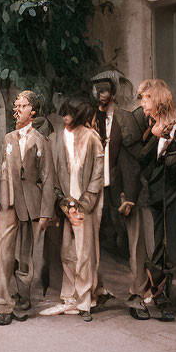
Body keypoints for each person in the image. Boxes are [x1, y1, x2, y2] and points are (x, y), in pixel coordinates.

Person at [91, 72, 153, 319]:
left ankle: (138, 294)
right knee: (92, 240)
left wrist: (130, 194)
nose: (100, 95)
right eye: (97, 90)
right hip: (95, 189)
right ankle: (97, 289)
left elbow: (134, 161)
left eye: (105, 90)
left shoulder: (125, 120)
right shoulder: (90, 119)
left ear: (113, 94)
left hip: (122, 188)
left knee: (135, 242)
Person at [0, 90, 55, 325]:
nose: (16, 110)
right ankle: (1, 303)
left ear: (33, 111)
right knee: (4, 252)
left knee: (25, 255)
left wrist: (46, 211)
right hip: (7, 199)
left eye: (22, 105)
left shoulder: (41, 140)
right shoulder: (7, 138)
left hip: (30, 201)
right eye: (15, 105)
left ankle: (24, 298)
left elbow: (48, 177)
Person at [40, 97, 104, 321]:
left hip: (86, 203)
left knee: (85, 252)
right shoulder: (55, 138)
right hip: (66, 202)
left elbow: (98, 172)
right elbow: (51, 173)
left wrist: (86, 201)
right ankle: (69, 296)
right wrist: (63, 202)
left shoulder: (92, 138)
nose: (66, 117)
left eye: (70, 113)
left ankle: (86, 299)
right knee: (67, 251)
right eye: (64, 113)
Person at [137, 78, 176, 322]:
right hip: (152, 198)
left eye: (146, 99)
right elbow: (142, 161)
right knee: (154, 247)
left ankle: (163, 298)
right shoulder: (149, 129)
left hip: (171, 198)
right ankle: (154, 294)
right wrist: (155, 138)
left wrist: (168, 142)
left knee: (168, 246)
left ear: (157, 101)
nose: (142, 104)